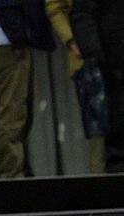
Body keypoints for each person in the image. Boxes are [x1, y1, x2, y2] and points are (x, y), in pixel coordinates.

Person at [0, 0, 55, 177]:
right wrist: (17, 37)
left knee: (20, 112)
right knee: (13, 113)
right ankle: (11, 175)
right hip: (9, 43)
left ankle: (19, 169)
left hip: (11, 40)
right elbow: (6, 5)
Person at [44, 0, 106, 173]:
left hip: (115, 45)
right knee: (98, 132)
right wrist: (72, 40)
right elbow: (54, 7)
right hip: (87, 57)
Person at [70, 0, 124, 173]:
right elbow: (82, 14)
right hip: (112, 59)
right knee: (116, 119)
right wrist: (94, 52)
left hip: (111, 51)